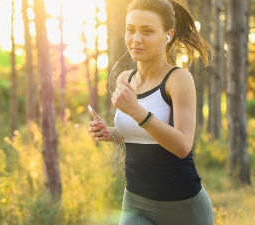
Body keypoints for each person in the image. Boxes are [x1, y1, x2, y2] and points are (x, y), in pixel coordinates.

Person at [87, 0, 214, 224]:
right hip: (136, 202)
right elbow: (138, 134)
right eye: (130, 30)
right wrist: (108, 133)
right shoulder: (124, 78)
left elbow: (183, 145)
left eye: (147, 31)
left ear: (168, 35)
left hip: (183, 206)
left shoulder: (178, 79)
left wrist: (136, 111)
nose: (136, 39)